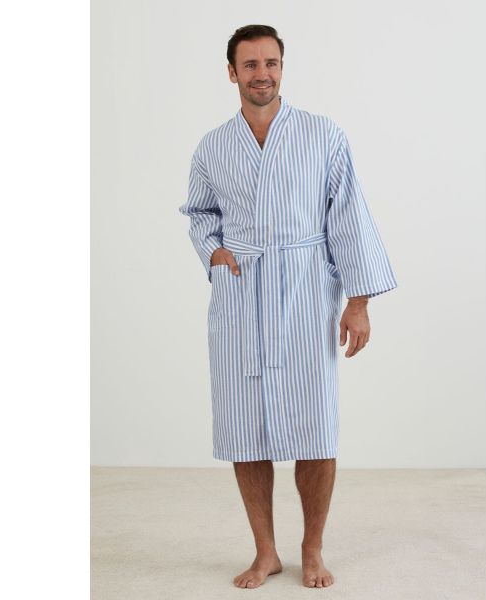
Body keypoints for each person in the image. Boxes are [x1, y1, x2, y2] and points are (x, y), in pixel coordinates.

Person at [178, 24, 398, 589]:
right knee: (244, 428)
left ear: (282, 67)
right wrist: (213, 250)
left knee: (315, 427)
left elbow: (349, 217)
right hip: (239, 299)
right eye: (250, 65)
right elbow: (199, 213)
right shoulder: (213, 146)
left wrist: (358, 302)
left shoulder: (322, 135)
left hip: (305, 296)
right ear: (232, 72)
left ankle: (312, 548)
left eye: (271, 63)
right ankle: (266, 552)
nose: (262, 74)